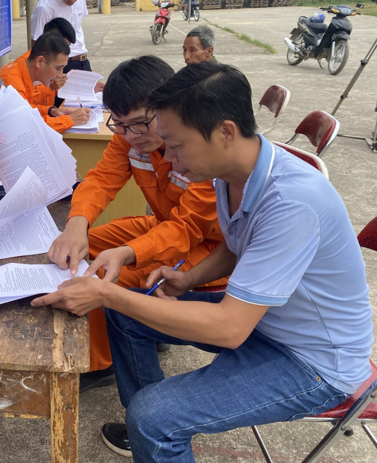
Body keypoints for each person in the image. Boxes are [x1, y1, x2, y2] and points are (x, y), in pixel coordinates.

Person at [33, 62, 374, 461]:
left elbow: (229, 328)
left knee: (149, 409)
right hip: (269, 321)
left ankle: (156, 425)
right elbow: (236, 245)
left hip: (313, 362)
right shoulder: (230, 173)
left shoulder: (292, 202)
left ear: (225, 132)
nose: (170, 161)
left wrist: (108, 295)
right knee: (129, 321)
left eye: (176, 146)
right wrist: (189, 279)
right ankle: (161, 428)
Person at [48, 56, 226, 393]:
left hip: (207, 250)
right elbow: (101, 179)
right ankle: (145, 331)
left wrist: (129, 254)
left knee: (104, 277)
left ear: (170, 110)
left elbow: (186, 230)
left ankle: (103, 362)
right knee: (86, 245)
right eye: (121, 125)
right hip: (159, 226)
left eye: (142, 124)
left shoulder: (200, 152)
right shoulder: (130, 136)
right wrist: (76, 223)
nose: (131, 136)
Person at [0, 32, 91, 187]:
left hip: (5, 154)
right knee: (54, 179)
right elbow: (28, 128)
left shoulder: (21, 71)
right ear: (40, 61)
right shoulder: (13, 82)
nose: (60, 75)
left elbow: (24, 111)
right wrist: (70, 120)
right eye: (58, 68)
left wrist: (50, 111)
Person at [30, 0, 104, 103]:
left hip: (82, 62)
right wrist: (49, 77)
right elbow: (36, 48)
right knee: (62, 112)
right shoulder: (45, 8)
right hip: (61, 68)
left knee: (90, 109)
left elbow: (77, 27)